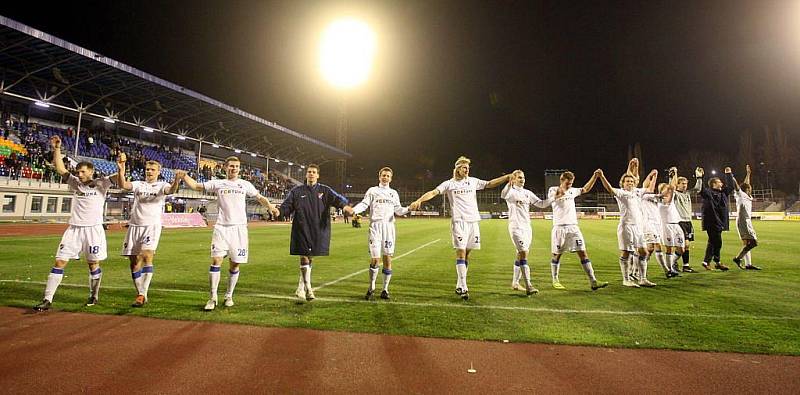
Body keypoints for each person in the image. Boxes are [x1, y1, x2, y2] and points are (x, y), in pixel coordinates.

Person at [181, 156, 280, 311]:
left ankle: (229, 295)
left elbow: (260, 198)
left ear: (239, 169)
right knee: (216, 261)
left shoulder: (245, 184)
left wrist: (271, 207)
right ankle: (212, 298)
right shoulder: (218, 183)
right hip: (221, 228)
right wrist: (184, 176)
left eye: (236, 166)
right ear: (225, 167)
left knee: (235, 265)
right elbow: (196, 186)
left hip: (239, 229)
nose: (234, 168)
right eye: (231, 166)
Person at [408, 156, 511, 300]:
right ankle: (464, 287)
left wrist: (506, 177)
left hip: (473, 222)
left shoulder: (473, 181)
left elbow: (489, 184)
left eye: (468, 168)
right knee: (461, 253)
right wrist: (419, 200)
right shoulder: (449, 184)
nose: (467, 170)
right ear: (457, 169)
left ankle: (459, 284)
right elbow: (433, 192)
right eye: (464, 167)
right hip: (459, 222)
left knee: (467, 254)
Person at [33, 136, 116, 311]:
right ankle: (47, 299)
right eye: (78, 172)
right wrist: (56, 149)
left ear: (91, 171)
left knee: (93, 264)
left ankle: (94, 295)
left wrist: (121, 164)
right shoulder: (75, 183)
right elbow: (60, 168)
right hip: (74, 229)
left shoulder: (102, 184)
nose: (79, 175)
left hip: (93, 230)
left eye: (83, 172)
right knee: (59, 262)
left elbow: (119, 178)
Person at [278, 164, 354, 302]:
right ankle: (309, 289)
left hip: (319, 229)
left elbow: (338, 199)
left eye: (314, 172)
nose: (311, 174)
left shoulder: (325, 190)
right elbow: (287, 206)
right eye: (309, 172)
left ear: (317, 175)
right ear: (306, 174)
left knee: (310, 257)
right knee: (304, 257)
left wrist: (345, 206)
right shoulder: (296, 191)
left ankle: (300, 287)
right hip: (301, 229)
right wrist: (279, 211)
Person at [116, 153, 181, 307]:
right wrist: (121, 170)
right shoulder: (139, 184)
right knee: (134, 262)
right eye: (147, 169)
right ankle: (141, 293)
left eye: (152, 170)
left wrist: (177, 180)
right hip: (134, 226)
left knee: (146, 255)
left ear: (158, 172)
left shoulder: (162, 185)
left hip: (151, 226)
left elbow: (171, 190)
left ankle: (142, 294)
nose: (149, 172)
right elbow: (124, 185)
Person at [352, 167, 409, 300]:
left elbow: (399, 210)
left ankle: (385, 289)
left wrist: (409, 208)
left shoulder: (394, 193)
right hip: (375, 227)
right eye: (383, 175)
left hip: (389, 228)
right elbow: (364, 204)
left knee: (388, 259)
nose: (385, 178)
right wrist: (354, 210)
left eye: (388, 176)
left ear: (391, 178)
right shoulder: (372, 191)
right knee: (375, 259)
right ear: (379, 177)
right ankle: (371, 287)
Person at [546, 171, 608, 290]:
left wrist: (595, 176)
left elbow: (585, 189)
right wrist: (563, 190)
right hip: (560, 228)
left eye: (571, 183)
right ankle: (555, 279)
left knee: (583, 253)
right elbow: (555, 197)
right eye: (567, 183)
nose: (569, 185)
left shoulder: (572, 190)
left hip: (573, 227)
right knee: (557, 255)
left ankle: (593, 281)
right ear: (562, 180)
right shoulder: (553, 190)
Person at [596, 168, 656, 288]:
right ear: (622, 183)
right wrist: (602, 177)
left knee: (643, 252)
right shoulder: (621, 193)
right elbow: (609, 189)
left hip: (638, 227)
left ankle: (642, 279)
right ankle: (626, 279)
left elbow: (650, 189)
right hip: (626, 226)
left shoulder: (637, 192)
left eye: (631, 181)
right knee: (626, 253)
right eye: (627, 181)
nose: (630, 183)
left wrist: (653, 176)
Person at [501, 170, 552, 295]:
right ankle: (529, 285)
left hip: (527, 228)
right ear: (513, 179)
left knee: (521, 254)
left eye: (523, 177)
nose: (522, 180)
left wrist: (554, 198)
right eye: (519, 178)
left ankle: (515, 283)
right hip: (516, 227)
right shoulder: (511, 192)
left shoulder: (527, 193)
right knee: (523, 252)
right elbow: (503, 194)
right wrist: (508, 183)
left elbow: (541, 204)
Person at [694, 167, 734, 271]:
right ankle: (717, 262)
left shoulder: (723, 193)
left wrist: (728, 174)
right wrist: (699, 177)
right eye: (719, 182)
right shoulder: (708, 193)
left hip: (720, 222)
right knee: (717, 242)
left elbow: (731, 187)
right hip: (712, 222)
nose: (721, 183)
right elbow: (701, 190)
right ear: (713, 184)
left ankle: (707, 262)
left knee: (712, 242)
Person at [731, 165, 761, 270]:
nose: (751, 187)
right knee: (753, 242)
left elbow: (746, 183)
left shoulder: (747, 196)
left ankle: (748, 264)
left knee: (747, 244)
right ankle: (738, 258)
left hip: (746, 221)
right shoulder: (740, 194)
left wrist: (748, 173)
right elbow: (737, 186)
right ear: (746, 190)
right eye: (749, 188)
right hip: (743, 221)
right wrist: (730, 175)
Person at [669, 167, 698, 273]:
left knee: (687, 246)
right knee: (683, 245)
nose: (685, 185)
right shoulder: (675, 194)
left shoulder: (687, 193)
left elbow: (698, 189)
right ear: (678, 184)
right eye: (683, 183)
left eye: (686, 183)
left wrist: (699, 177)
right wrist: (673, 175)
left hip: (688, 222)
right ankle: (671, 263)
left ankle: (686, 266)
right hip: (679, 222)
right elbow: (671, 187)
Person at [657, 179, 687, 276]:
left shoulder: (671, 198)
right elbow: (672, 189)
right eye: (666, 190)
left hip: (676, 225)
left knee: (681, 249)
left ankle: (671, 263)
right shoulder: (661, 201)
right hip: (667, 226)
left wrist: (674, 174)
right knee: (669, 248)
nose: (669, 191)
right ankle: (669, 270)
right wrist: (671, 187)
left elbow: (672, 188)